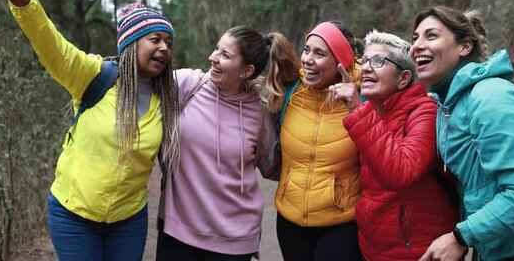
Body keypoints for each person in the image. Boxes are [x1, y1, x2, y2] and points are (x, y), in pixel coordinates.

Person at [0, 0, 180, 261]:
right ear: (131, 45)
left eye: (168, 43)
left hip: (128, 220)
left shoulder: (168, 96)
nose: (163, 48)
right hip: (74, 216)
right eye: (155, 39)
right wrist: (28, 8)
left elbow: (211, 81)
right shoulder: (95, 76)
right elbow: (56, 50)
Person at [410, 6, 514, 260]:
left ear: (464, 47)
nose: (417, 46)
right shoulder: (447, 105)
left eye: (431, 35)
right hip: (502, 242)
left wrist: (461, 236)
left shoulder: (489, 97)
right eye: (414, 38)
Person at [156, 26, 285, 261]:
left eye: (225, 55)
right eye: (217, 49)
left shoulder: (259, 113)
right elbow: (139, 79)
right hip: (177, 230)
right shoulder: (187, 86)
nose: (212, 58)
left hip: (233, 240)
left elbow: (272, 168)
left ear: (247, 71)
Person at [338, 30, 458, 260]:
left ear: (403, 78)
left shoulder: (424, 111)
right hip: (373, 247)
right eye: (364, 61)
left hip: (417, 251)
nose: (366, 68)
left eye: (379, 61)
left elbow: (401, 171)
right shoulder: (373, 111)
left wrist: (356, 108)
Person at [263, 21, 364, 261]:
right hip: (290, 219)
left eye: (320, 53)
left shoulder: (364, 94)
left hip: (341, 222)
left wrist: (357, 108)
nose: (308, 59)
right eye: (307, 49)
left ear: (341, 61)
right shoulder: (290, 89)